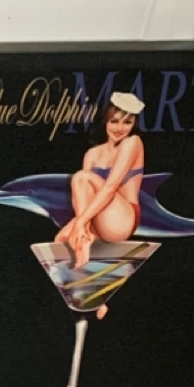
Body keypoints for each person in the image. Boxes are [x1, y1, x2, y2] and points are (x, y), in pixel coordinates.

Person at [56, 91, 146, 273]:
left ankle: (85, 235)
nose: (120, 128)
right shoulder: (92, 154)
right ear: (105, 120)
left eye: (127, 122)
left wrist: (79, 224)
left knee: (81, 177)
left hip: (123, 218)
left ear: (134, 124)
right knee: (60, 241)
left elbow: (111, 187)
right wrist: (79, 226)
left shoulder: (132, 143)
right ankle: (92, 292)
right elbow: (83, 198)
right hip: (97, 219)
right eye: (114, 121)